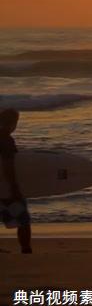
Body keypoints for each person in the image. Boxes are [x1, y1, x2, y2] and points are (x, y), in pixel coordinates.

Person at [0, 108, 31, 254]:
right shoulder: (6, 139)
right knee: (23, 219)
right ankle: (26, 249)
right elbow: (8, 165)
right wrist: (14, 187)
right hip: (6, 188)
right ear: (12, 123)